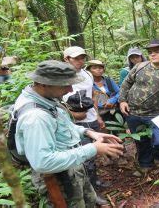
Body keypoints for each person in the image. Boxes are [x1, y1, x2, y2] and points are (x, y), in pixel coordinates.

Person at [13, 60, 124, 207]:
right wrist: (94, 148)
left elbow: (62, 126)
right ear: (44, 83)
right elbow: (43, 162)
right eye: (66, 85)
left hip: (71, 163)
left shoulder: (46, 99)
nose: (71, 90)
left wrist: (89, 133)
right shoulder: (35, 117)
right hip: (57, 177)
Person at [119, 39, 159, 177]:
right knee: (141, 141)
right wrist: (122, 100)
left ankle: (158, 155)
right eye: (150, 52)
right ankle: (145, 164)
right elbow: (126, 84)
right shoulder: (140, 67)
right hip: (133, 112)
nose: (152, 54)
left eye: (157, 51)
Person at [62, 46, 108, 205]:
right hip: (75, 123)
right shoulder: (62, 77)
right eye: (76, 58)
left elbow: (92, 96)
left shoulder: (87, 74)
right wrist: (74, 115)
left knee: (93, 155)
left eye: (82, 58)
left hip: (91, 119)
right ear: (66, 59)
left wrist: (97, 116)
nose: (80, 61)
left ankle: (94, 183)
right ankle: (91, 194)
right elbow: (59, 103)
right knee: (84, 156)